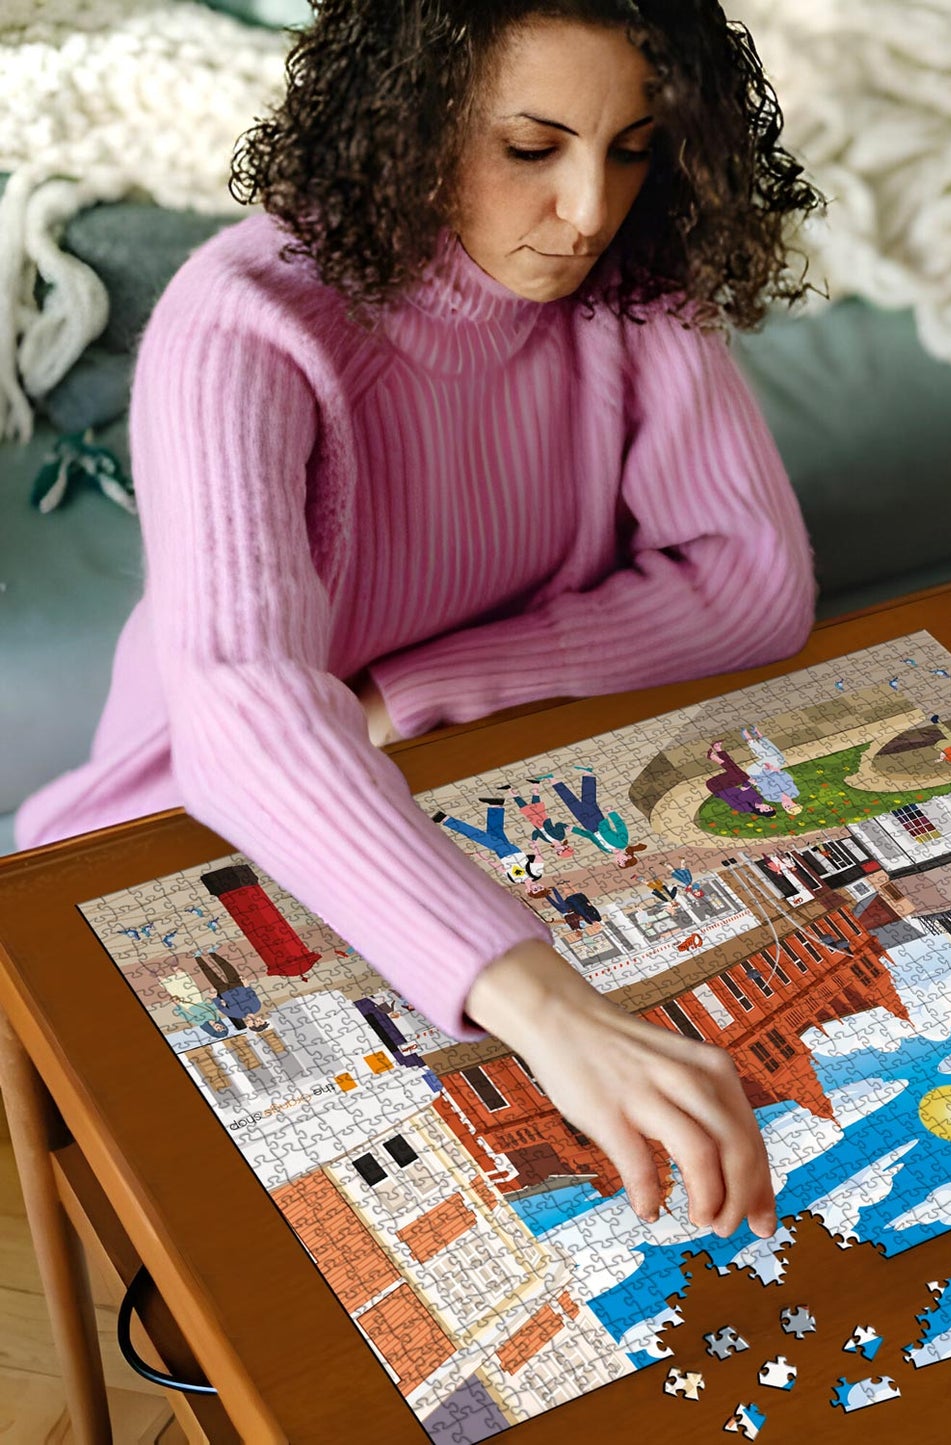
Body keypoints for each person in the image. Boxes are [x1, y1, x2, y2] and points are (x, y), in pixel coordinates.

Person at [15, 0, 825, 1242]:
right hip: (193, 826)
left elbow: (753, 583)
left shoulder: (633, 278)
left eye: (630, 148)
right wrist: (546, 1005)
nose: (588, 212)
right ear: (413, 120)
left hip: (482, 767)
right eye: (531, 147)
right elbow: (240, 711)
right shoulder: (242, 319)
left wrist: (419, 690)